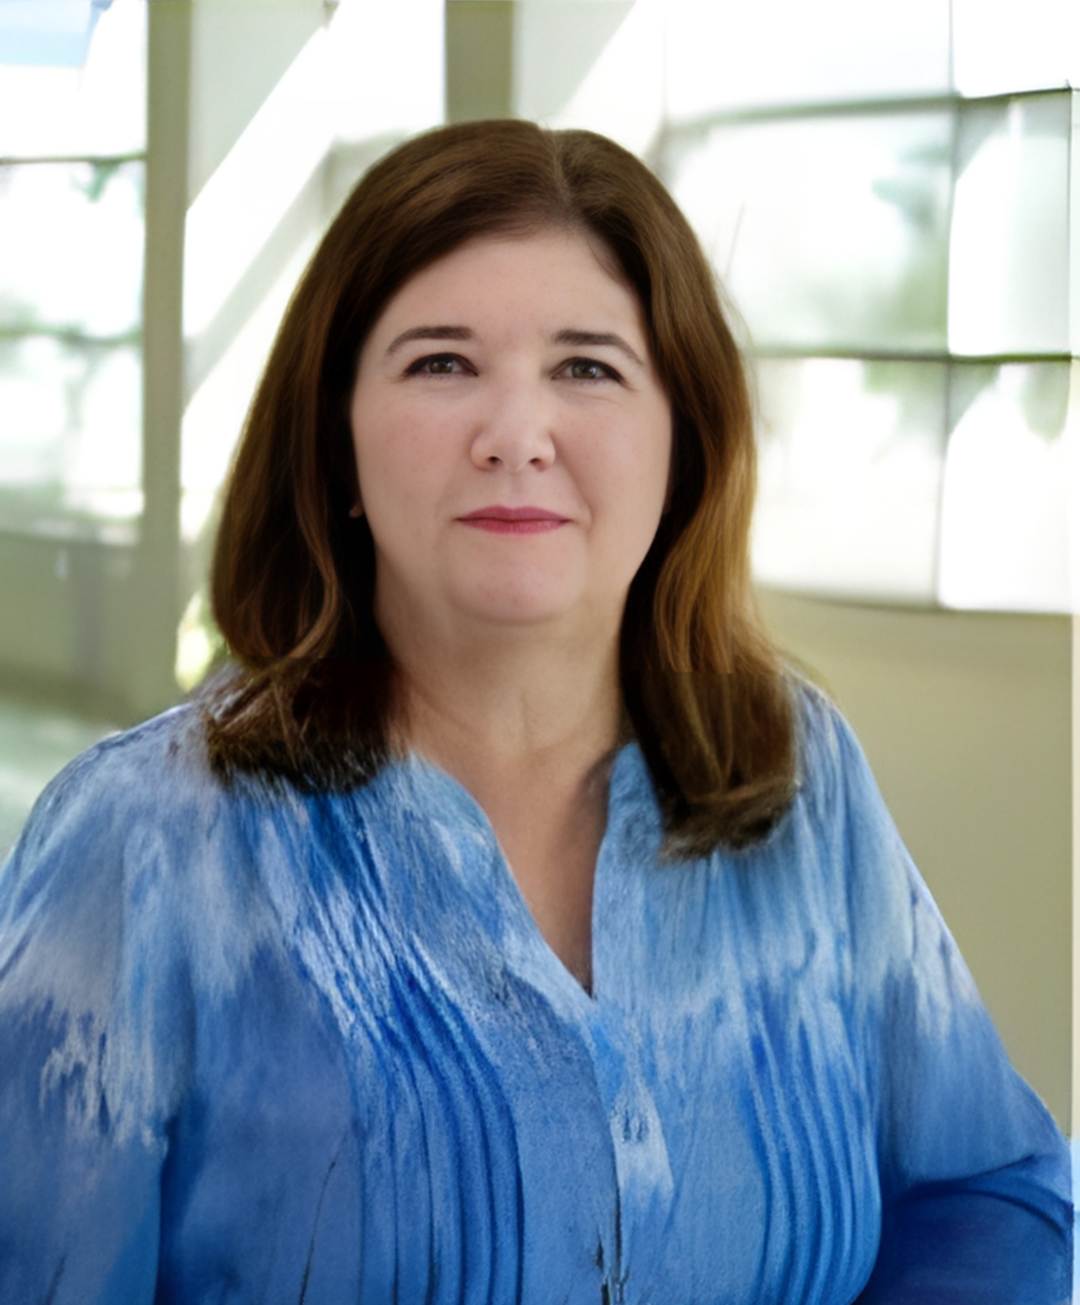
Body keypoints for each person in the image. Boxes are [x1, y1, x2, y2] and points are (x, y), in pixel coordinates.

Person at [0, 119, 1070, 1303]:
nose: (517, 437)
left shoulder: (798, 772)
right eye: (440, 363)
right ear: (335, 438)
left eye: (588, 368)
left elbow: (993, 1190)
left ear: (686, 440)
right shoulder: (145, 838)